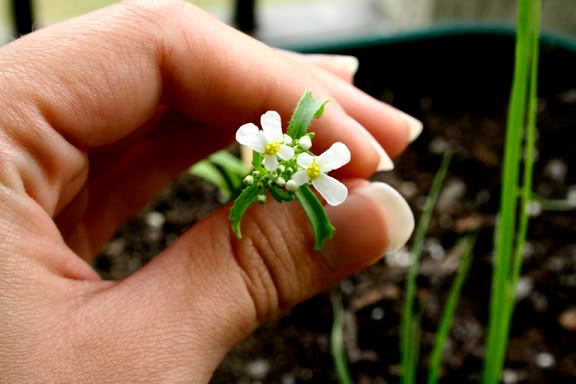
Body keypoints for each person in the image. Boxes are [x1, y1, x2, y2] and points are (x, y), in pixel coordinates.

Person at [0, 0, 420, 381]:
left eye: (277, 149)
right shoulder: (271, 151)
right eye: (273, 148)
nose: (275, 149)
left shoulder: (294, 160)